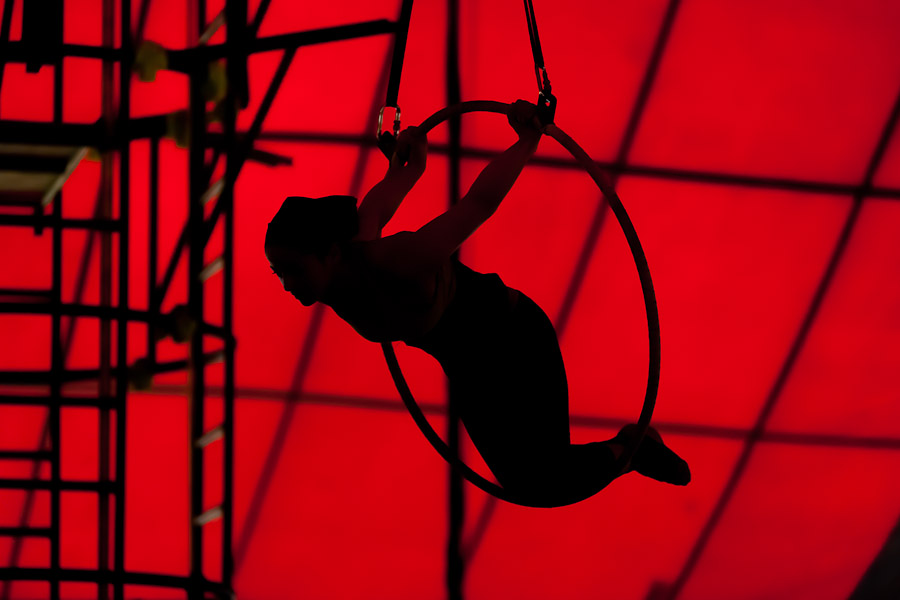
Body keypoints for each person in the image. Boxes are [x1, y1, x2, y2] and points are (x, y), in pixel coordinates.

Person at [264, 100, 690, 506]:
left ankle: (633, 448)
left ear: (331, 253)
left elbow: (478, 205)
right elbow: (382, 197)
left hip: (515, 339)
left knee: (545, 476)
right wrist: (409, 168)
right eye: (279, 273)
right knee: (530, 483)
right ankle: (630, 451)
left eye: (293, 270)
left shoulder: (397, 260)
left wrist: (527, 141)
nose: (286, 284)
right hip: (469, 367)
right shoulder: (345, 260)